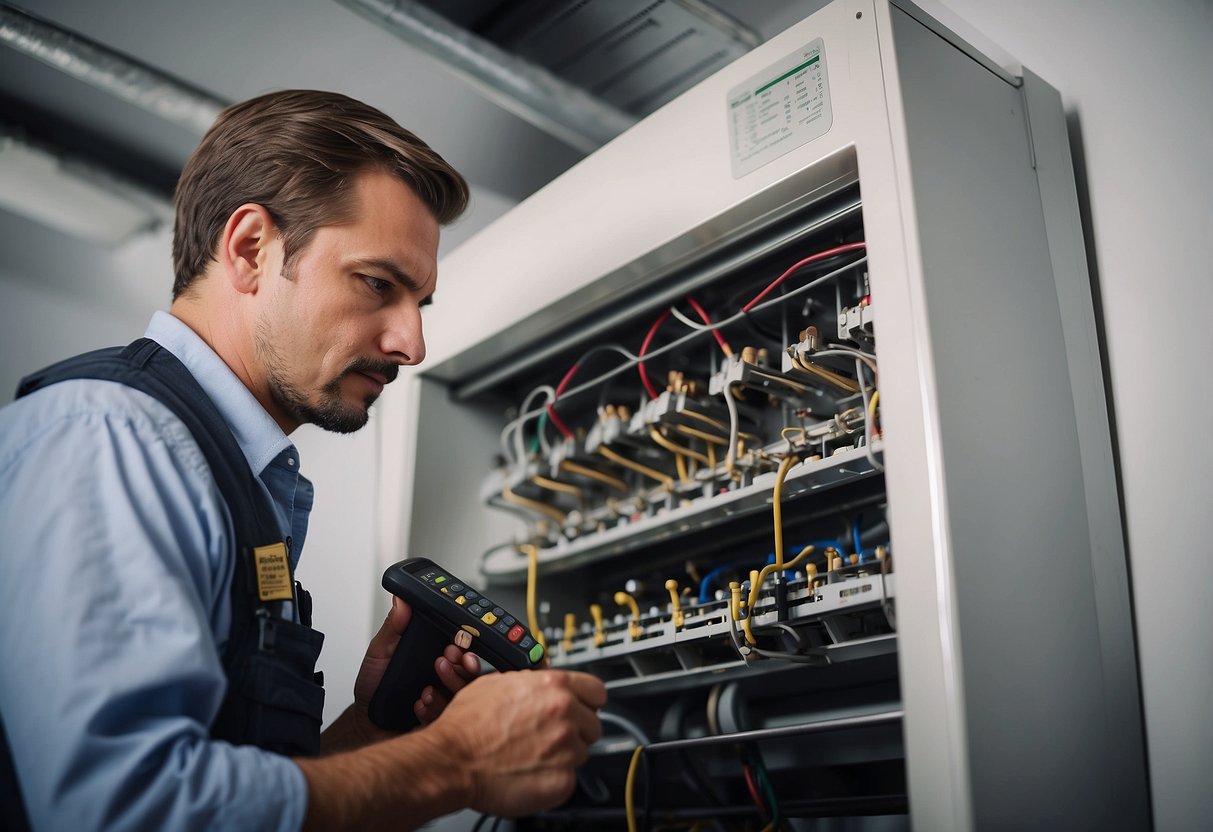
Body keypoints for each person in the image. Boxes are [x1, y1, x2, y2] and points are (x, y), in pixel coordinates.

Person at [0, 89, 606, 831]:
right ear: (252, 248)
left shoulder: (235, 475)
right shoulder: (114, 437)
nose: (411, 345)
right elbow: (127, 810)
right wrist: (455, 762)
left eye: (421, 304)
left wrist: (375, 734)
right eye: (377, 284)